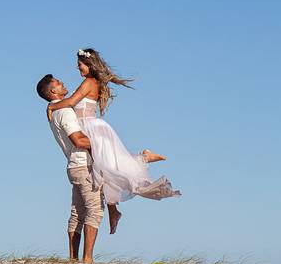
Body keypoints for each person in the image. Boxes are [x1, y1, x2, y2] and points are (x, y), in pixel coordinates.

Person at [46, 48, 180, 235]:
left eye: (80, 65)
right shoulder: (92, 82)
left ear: (89, 65)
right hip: (91, 128)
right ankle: (114, 209)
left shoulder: (88, 82)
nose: (78, 69)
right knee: (106, 170)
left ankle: (143, 158)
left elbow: (71, 101)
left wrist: (51, 107)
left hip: (92, 129)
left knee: (108, 167)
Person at [37, 73, 103, 263]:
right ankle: (87, 259)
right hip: (83, 164)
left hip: (73, 165)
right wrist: (103, 145)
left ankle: (73, 259)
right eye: (58, 83)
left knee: (77, 212)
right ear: (52, 91)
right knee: (95, 210)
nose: (63, 83)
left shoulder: (54, 112)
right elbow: (78, 140)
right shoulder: (64, 112)